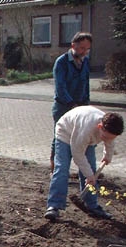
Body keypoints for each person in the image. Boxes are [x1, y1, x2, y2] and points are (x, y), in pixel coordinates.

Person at [44, 106, 124, 221]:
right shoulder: (86, 128)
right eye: (105, 137)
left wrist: (108, 155)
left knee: (90, 168)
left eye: (111, 138)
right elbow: (78, 154)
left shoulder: (110, 126)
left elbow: (109, 141)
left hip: (86, 139)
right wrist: (88, 175)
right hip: (65, 132)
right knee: (62, 168)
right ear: (100, 126)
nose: (107, 140)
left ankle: (92, 206)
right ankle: (54, 206)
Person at [50, 32, 92, 173]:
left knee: (83, 137)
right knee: (60, 137)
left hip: (80, 105)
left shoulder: (85, 61)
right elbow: (60, 87)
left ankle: (85, 171)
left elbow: (85, 83)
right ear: (73, 45)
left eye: (87, 49)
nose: (84, 52)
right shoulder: (61, 62)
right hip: (63, 106)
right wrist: (72, 104)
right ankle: (56, 169)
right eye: (81, 48)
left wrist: (86, 104)